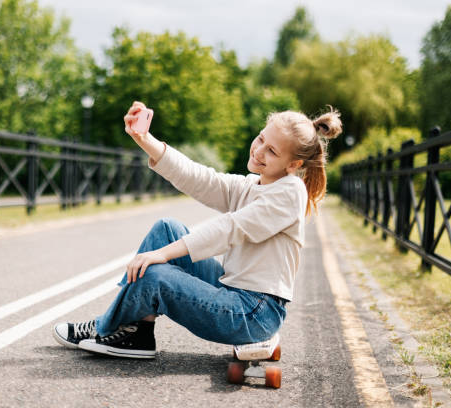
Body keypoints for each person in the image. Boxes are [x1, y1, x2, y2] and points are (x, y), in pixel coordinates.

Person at [52, 101, 342, 358]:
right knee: (166, 228)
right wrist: (144, 138)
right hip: (234, 293)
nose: (259, 151)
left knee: (156, 273)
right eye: (261, 139)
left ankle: (107, 327)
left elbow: (230, 229)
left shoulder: (289, 192)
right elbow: (200, 178)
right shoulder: (253, 184)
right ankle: (135, 332)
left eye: (272, 151)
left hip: (253, 313)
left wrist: (162, 255)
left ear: (294, 164)